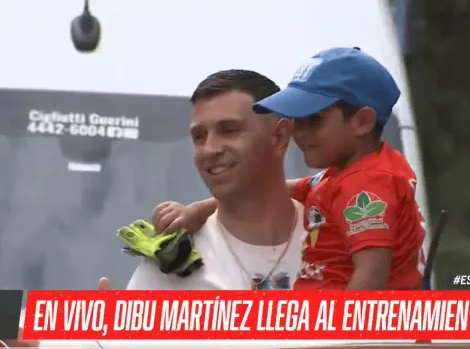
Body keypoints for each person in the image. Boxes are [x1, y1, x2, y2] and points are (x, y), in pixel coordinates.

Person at [153, 47, 426, 290]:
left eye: (314, 120)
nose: (299, 132)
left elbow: (372, 273)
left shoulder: (369, 185)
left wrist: (340, 340)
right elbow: (289, 188)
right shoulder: (348, 176)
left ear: (362, 121)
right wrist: (198, 210)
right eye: (297, 119)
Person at [126, 69, 306, 290]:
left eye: (229, 130)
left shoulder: (339, 236)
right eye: (199, 137)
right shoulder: (171, 262)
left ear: (279, 137)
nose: (209, 150)